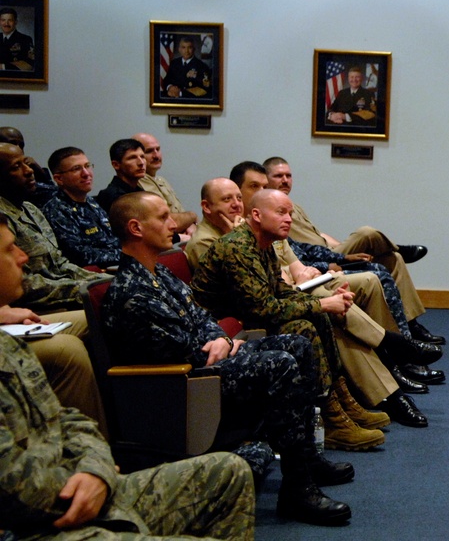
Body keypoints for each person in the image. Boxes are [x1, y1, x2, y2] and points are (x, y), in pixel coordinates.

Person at [102, 192, 355, 526]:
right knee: (280, 364)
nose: (173, 223)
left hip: (207, 361)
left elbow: (202, 316)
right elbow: (177, 350)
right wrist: (216, 343)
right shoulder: (132, 291)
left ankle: (306, 458)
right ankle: (297, 489)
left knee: (296, 344)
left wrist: (221, 338)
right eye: (163, 217)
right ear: (136, 228)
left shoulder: (159, 273)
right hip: (183, 383)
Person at [0, 213, 258, 541]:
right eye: (9, 249)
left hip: (87, 485)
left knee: (230, 472)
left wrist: (96, 469)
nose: (23, 256)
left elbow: (68, 421)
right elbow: (13, 490)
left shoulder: (10, 344)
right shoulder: (131, 288)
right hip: (44, 521)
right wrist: (96, 479)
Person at [192, 185, 432, 433]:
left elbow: (280, 290)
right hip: (221, 331)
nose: (288, 219)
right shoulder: (238, 247)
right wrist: (322, 304)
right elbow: (262, 308)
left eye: (290, 213)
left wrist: (324, 305)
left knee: (320, 316)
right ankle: (331, 413)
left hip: (246, 317)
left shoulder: (263, 243)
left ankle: (342, 402)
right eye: (281, 213)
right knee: (305, 324)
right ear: (256, 215)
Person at [262, 156, 442, 346]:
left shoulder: (294, 206)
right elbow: (296, 252)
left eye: (288, 176)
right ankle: (396, 247)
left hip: (327, 251)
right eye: (278, 176)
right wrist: (339, 259)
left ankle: (411, 324)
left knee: (393, 259)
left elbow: (318, 235)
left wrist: (339, 250)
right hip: (315, 262)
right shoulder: (271, 211)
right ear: (267, 180)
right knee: (366, 233)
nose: (285, 180)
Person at [0, 143, 109, 430]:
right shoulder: (3, 219)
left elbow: (60, 263)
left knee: (111, 305)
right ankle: (97, 432)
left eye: (27, 163)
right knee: (92, 323)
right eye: (17, 167)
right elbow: (26, 284)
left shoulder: (31, 210)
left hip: (50, 298)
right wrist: (85, 290)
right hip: (34, 304)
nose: (29, 171)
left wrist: (99, 283)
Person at [42, 146, 120, 269]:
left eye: (87, 166)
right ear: (59, 179)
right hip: (94, 272)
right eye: (76, 169)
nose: (86, 173)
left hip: (117, 264)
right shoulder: (56, 210)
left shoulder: (91, 202)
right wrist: (126, 255)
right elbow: (80, 255)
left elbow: (114, 238)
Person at [133, 132, 198, 237]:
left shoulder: (161, 180)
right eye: (149, 151)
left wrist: (192, 224)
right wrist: (193, 216)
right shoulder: (139, 182)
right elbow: (167, 220)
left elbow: (180, 214)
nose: (156, 156)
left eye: (158, 149)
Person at [0, 126, 57, 204]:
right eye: (12, 143)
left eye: (21, 145)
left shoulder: (29, 167)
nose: (18, 148)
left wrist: (40, 172)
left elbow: (52, 195)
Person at [95, 138, 146, 213]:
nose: (141, 163)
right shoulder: (113, 196)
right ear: (116, 165)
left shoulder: (138, 190)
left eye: (142, 157)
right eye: (132, 158)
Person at [0, 7, 34, 71]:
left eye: (10, 20)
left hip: (16, 77)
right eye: (3, 20)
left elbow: (29, 65)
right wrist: (17, 63)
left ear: (15, 22)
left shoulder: (25, 39)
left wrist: (3, 66)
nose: (6, 23)